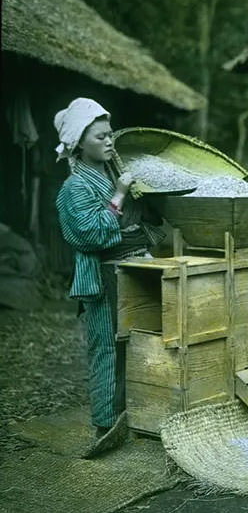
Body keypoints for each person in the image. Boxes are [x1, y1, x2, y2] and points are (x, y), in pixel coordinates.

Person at [54, 98, 165, 455]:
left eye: (110, 135)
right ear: (79, 143)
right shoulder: (74, 189)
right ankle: (106, 423)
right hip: (103, 276)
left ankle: (134, 414)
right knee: (107, 348)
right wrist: (119, 195)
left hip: (134, 267)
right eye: (100, 137)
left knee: (138, 344)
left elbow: (147, 220)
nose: (108, 142)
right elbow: (91, 235)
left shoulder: (116, 173)